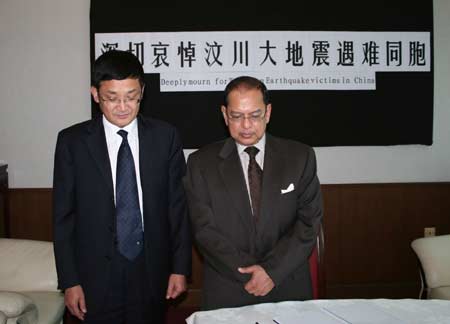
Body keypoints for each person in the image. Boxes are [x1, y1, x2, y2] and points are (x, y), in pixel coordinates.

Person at [53, 50, 191, 324]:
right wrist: (70, 281)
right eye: (111, 98)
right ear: (95, 94)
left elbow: (177, 208)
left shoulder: (165, 137)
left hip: (151, 268)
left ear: (142, 90)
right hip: (96, 273)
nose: (122, 106)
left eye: (131, 96)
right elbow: (63, 218)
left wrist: (180, 268)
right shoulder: (73, 142)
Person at [183, 76, 323, 310]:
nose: (246, 125)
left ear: (268, 113)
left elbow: (309, 223)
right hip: (228, 288)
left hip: (287, 285)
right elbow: (203, 229)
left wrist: (271, 271)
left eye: (254, 115)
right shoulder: (200, 163)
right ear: (225, 114)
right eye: (237, 116)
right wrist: (251, 274)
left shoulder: (300, 157)